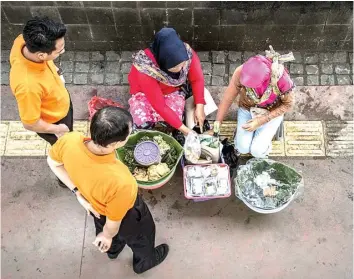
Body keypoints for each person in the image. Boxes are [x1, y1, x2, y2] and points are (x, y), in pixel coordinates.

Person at [47, 106, 169, 274]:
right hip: (125, 216)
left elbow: (53, 163)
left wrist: (77, 192)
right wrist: (106, 236)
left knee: (107, 232)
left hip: (95, 208)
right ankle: (144, 262)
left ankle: (113, 251)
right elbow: (114, 222)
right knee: (141, 236)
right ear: (114, 144)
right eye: (129, 132)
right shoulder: (122, 182)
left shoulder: (70, 140)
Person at [212, 47, 295, 158]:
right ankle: (249, 135)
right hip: (248, 109)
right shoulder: (241, 71)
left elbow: (288, 104)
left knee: (257, 151)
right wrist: (217, 124)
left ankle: (264, 142)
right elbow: (227, 99)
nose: (247, 88)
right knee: (242, 148)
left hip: (271, 111)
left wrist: (262, 120)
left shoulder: (282, 80)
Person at [128, 27, 208, 136]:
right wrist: (187, 131)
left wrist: (200, 106)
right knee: (141, 124)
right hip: (145, 94)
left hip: (171, 91)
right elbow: (159, 105)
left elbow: (197, 79)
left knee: (176, 119)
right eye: (175, 67)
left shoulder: (187, 53)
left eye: (182, 64)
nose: (181, 69)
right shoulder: (146, 68)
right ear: (163, 62)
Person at [9, 17, 72, 146]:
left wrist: (56, 70)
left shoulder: (23, 40)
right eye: (59, 51)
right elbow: (30, 123)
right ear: (41, 55)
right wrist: (58, 129)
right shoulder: (28, 87)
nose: (63, 51)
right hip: (55, 121)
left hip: (59, 100)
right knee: (65, 146)